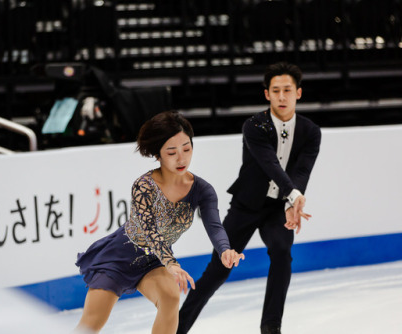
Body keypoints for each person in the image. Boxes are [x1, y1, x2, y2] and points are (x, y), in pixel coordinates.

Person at [177, 62, 322, 334]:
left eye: (287, 90)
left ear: (298, 93)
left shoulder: (310, 131)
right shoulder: (254, 126)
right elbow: (270, 164)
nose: (281, 96)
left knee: (282, 251)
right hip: (247, 205)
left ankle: (270, 327)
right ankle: (178, 327)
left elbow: (302, 170)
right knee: (219, 268)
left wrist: (294, 198)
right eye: (275, 90)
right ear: (266, 94)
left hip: (278, 209)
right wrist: (293, 193)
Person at [75, 111, 245, 334]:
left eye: (186, 148)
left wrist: (224, 249)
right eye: (172, 152)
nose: (181, 158)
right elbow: (150, 231)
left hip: (154, 261)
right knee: (90, 325)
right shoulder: (144, 186)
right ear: (158, 155)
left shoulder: (202, 189)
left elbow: (214, 225)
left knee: (170, 297)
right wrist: (171, 263)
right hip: (119, 258)